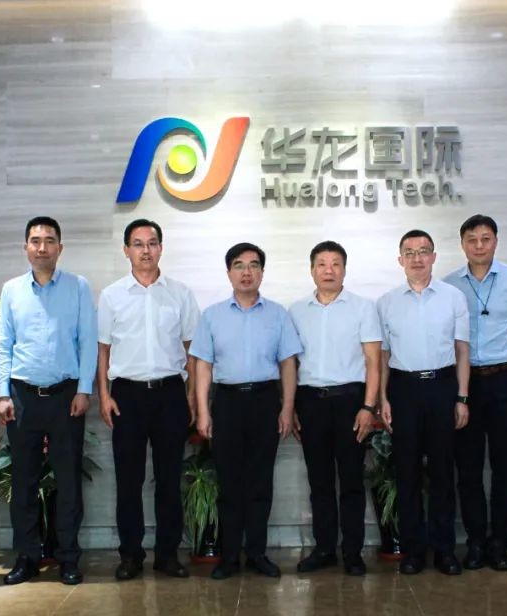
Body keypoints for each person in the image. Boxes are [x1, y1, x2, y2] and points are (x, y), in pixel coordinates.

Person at [190, 243, 302, 580]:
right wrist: (203, 412)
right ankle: (228, 557)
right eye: (239, 265)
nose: (246, 272)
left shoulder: (278, 314)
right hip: (226, 403)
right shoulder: (212, 315)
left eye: (253, 265)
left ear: (262, 272)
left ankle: (257, 553)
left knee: (260, 482)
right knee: (229, 482)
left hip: (265, 401)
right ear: (229, 273)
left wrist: (287, 408)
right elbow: (203, 366)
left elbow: (288, 364)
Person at [0, 216, 98, 585]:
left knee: (68, 481)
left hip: (66, 396)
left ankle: (68, 557)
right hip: (22, 397)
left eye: (50, 240)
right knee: (23, 480)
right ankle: (27, 557)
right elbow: (3, 345)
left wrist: (84, 389)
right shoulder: (12, 290)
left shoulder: (78, 287)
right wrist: (3, 394)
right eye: (36, 241)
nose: (42, 247)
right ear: (26, 247)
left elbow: (88, 341)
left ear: (60, 247)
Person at [97, 219, 200, 580]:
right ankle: (130, 555)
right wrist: (104, 395)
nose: (145, 250)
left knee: (169, 479)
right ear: (126, 250)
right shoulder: (112, 296)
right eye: (138, 244)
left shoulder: (180, 294)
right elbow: (103, 350)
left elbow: (192, 350)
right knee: (129, 481)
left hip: (170, 394)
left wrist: (191, 397)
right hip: (126, 396)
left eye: (152, 243)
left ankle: (167, 555)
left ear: (161, 248)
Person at [377, 229, 470, 576]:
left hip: (442, 386)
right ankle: (414, 551)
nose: (417, 258)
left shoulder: (453, 297)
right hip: (403, 389)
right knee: (407, 473)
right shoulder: (386, 302)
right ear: (400, 260)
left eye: (423, 251)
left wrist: (462, 397)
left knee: (443, 472)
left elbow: (462, 350)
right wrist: (383, 398)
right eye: (410, 252)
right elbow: (383, 356)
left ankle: (444, 550)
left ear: (433, 257)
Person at [289, 241, 382, 577]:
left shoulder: (363, 308)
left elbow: (373, 362)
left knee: (352, 480)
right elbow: (290, 363)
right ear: (311, 269)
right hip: (310, 401)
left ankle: (353, 552)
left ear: (344, 269)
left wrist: (368, 406)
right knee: (320, 481)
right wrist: (291, 406)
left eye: (335, 264)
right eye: (322, 264)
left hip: (350, 402)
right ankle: (324, 548)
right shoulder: (296, 311)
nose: (328, 270)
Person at [443, 214, 507, 571]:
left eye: (485, 238)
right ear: (462, 244)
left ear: (496, 241)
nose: (479, 245)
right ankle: (476, 542)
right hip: (464, 385)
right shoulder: (448, 286)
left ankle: (499, 545)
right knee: (468, 470)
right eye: (472, 239)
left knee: (506, 468)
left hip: (505, 381)